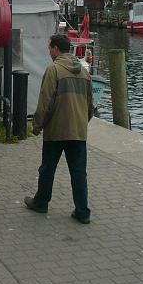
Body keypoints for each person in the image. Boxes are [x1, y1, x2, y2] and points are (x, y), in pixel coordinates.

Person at [24, 34, 94, 223]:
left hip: (56, 130)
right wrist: (82, 122)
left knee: (47, 169)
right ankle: (82, 211)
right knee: (79, 172)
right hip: (78, 132)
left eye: (49, 48)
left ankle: (41, 202)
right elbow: (90, 105)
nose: (49, 52)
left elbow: (45, 101)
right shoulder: (84, 72)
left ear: (55, 48)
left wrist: (37, 125)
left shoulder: (53, 70)